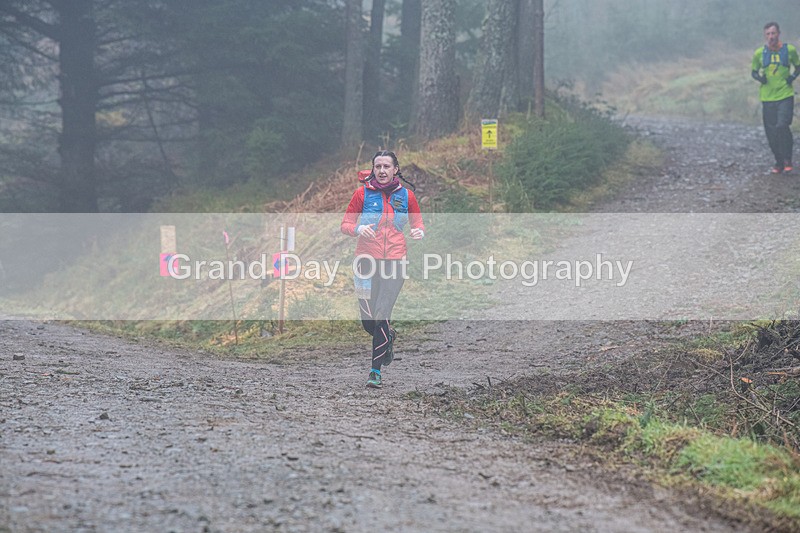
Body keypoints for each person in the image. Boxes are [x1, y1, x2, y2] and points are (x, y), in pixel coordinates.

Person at [341, 150, 424, 389]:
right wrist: (357, 229)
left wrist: (419, 232)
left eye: (387, 166)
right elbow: (345, 223)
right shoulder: (362, 194)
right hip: (365, 261)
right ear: (373, 169)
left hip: (395, 262)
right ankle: (388, 338)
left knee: (381, 313)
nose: (382, 170)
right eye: (378, 166)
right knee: (369, 320)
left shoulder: (407, 196)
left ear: (396, 169)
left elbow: (417, 223)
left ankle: (375, 371)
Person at [751, 22, 800, 174]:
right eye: (768, 34)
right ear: (765, 36)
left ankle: (787, 159)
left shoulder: (789, 50)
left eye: (773, 33)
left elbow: (798, 67)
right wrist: (761, 79)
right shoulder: (760, 53)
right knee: (771, 132)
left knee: (782, 126)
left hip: (785, 95)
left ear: (779, 33)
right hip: (767, 98)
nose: (771, 37)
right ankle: (778, 161)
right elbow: (753, 72)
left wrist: (791, 78)